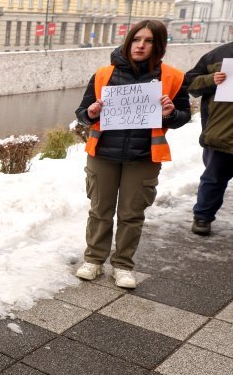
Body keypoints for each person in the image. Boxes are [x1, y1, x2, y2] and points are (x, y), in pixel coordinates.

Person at [74, 19, 190, 288]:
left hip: (144, 156)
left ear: (158, 45)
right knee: (100, 210)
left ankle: (123, 265)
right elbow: (82, 113)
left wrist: (171, 113)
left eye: (148, 41)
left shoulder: (173, 77)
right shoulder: (104, 73)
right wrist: (90, 113)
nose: (141, 45)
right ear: (128, 42)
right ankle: (93, 260)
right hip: (103, 153)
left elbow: (184, 116)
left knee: (131, 214)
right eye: (137, 39)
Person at [184, 40, 233, 236]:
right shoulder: (218, 55)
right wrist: (211, 79)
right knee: (214, 177)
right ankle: (203, 217)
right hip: (222, 133)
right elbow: (189, 84)